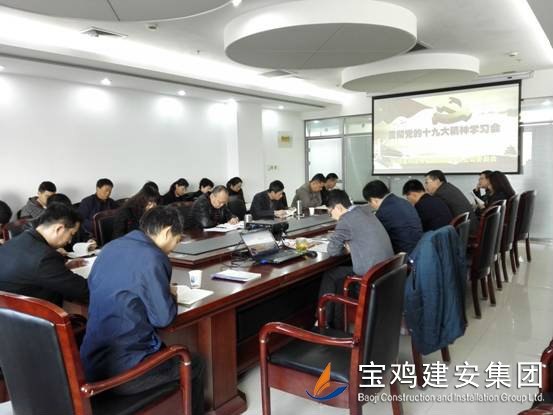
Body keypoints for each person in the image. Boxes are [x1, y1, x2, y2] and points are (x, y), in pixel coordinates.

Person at [80, 206, 204, 414]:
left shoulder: (110, 247)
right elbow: (163, 319)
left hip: (91, 362)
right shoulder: (153, 256)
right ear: (166, 232)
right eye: (177, 240)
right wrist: (171, 295)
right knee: (194, 362)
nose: (174, 246)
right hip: (124, 371)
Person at [318, 189, 393, 328]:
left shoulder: (346, 219)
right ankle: (335, 321)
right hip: (385, 272)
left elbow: (333, 251)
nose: (331, 216)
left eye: (330, 212)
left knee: (330, 274)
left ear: (338, 207)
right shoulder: (364, 211)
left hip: (369, 275)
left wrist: (346, 247)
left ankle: (323, 322)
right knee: (338, 275)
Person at [0, 203, 89, 306]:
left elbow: (30, 271)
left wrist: (61, 268)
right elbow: (84, 290)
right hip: (36, 312)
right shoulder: (44, 257)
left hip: (9, 309)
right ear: (59, 229)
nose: (70, 241)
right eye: (71, 234)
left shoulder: (17, 240)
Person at [363, 180, 423, 254]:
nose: (370, 206)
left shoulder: (383, 212)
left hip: (403, 255)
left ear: (374, 200)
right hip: (418, 250)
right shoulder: (404, 202)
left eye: (369, 203)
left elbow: (372, 237)